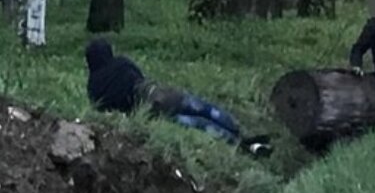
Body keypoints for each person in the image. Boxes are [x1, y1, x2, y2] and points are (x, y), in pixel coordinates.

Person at [84, 38, 272, 156]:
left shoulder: (94, 87)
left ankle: (241, 147)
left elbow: (102, 108)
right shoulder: (121, 62)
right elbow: (139, 76)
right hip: (160, 94)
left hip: (147, 110)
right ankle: (242, 133)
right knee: (205, 109)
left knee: (197, 123)